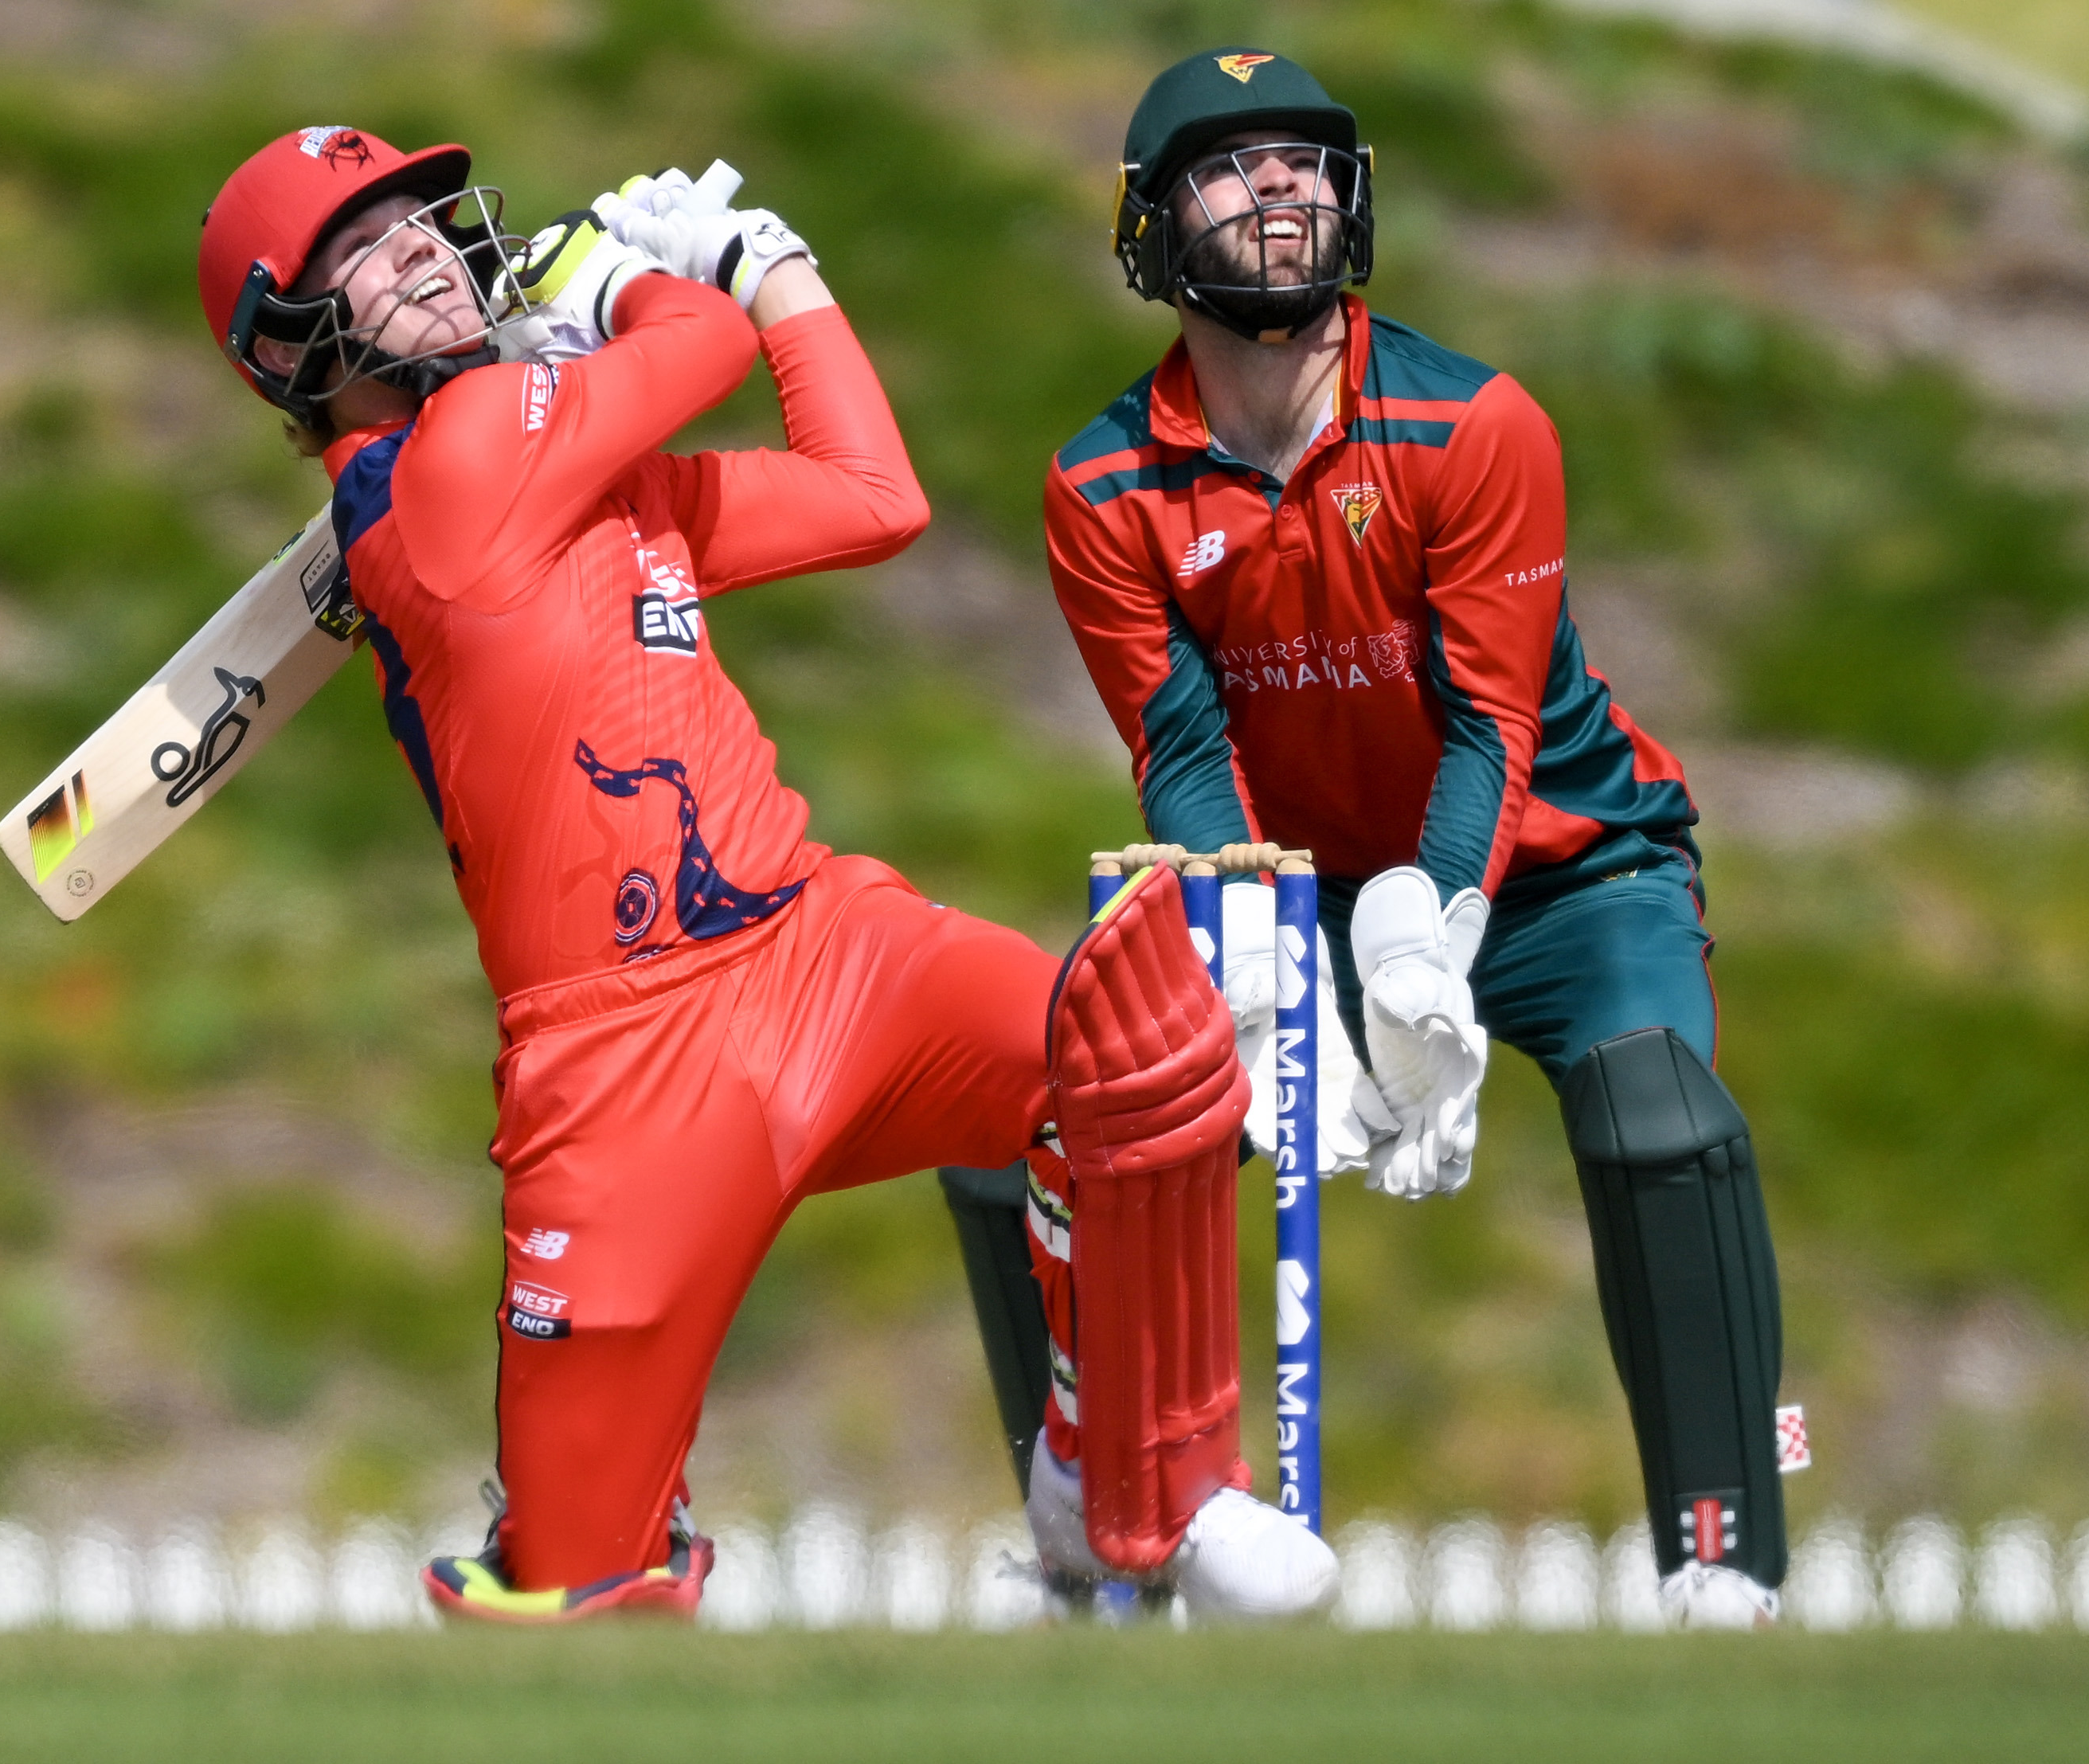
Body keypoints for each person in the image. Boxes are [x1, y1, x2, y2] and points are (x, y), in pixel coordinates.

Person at [194, 125, 1336, 1621]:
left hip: (823, 952)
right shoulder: (458, 473)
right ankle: (575, 1548)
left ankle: (1120, 1484)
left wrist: (783, 275)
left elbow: (874, 495)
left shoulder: (590, 483)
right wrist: (658, 280)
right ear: (291, 341)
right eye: (363, 241)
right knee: (579, 1594)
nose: (418, 242)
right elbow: (703, 343)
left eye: (421, 215)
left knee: (1139, 1058)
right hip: (615, 1067)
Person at [955, 50, 1798, 1629]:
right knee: (1033, 1082)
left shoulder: (1476, 423)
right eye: (1228, 163)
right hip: (1302, 886)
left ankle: (1721, 1562)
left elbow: (1494, 719)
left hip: (1563, 867)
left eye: (1303, 159)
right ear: (1147, 227)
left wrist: (1433, 938)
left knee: (1654, 1110)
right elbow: (1182, 750)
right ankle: (1081, 1532)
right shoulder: (1098, 482)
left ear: (1350, 200)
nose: (1277, 184)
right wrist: (1266, 947)